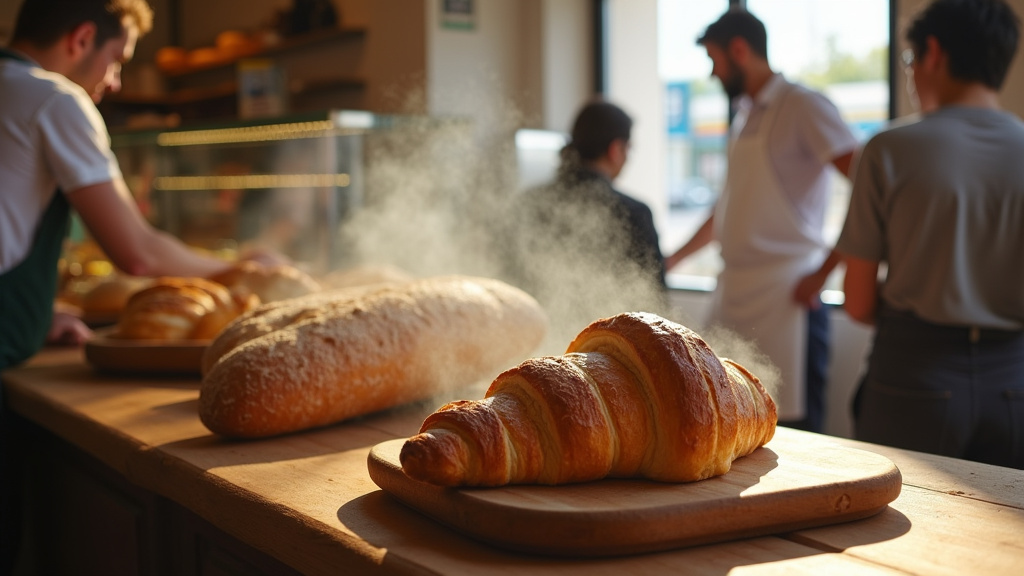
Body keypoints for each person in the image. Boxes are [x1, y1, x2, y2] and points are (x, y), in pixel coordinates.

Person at [0, 0, 279, 373]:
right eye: (117, 59)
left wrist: (40, 316)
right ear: (81, 39)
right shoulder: (55, 99)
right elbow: (138, 253)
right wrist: (242, 269)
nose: (115, 81)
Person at [836, 0, 1024, 469]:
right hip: (1017, 383)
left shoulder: (887, 149)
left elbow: (857, 302)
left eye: (909, 59)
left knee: (896, 531)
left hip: (912, 376)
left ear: (933, 53)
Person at [665, 9, 858, 433]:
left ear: (740, 50)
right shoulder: (745, 115)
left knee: (798, 435)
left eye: (715, 60)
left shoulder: (803, 105)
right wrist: (674, 258)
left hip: (788, 296)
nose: (713, 73)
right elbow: (728, 208)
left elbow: (868, 187)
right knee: (733, 420)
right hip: (736, 292)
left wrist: (825, 272)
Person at [506, 100, 666, 351]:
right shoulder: (633, 213)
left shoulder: (529, 203)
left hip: (535, 348)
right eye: (629, 149)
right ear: (616, 149)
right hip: (605, 357)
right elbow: (654, 306)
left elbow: (509, 281)